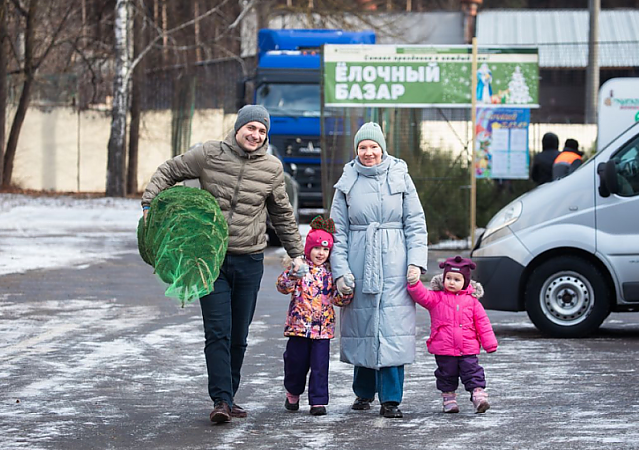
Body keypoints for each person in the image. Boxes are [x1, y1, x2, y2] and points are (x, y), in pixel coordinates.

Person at [140, 104, 304, 424]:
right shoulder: (208, 154)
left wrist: (296, 253)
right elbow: (169, 170)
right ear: (238, 128)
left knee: (239, 334)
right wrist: (150, 204)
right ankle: (221, 399)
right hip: (209, 258)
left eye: (262, 131)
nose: (255, 135)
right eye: (250, 128)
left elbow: (282, 214)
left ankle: (229, 394)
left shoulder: (271, 168)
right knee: (218, 330)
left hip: (250, 259)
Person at [329, 122, 428, 419]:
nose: (368, 153)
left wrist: (415, 261)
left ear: (383, 149)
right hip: (360, 258)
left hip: (395, 260)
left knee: (392, 327)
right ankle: (363, 392)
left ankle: (391, 399)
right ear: (356, 151)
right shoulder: (347, 181)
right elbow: (338, 231)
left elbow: (415, 222)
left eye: (373, 147)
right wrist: (341, 271)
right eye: (363, 147)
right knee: (363, 325)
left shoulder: (400, 176)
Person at [276, 216, 353, 417]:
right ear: (309, 248)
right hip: (299, 328)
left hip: (322, 330)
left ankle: (318, 401)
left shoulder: (330, 273)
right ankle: (293, 392)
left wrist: (346, 291)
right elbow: (282, 287)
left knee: (320, 367)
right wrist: (293, 274)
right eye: (317, 248)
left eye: (326, 250)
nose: (321, 253)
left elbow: (338, 300)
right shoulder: (300, 269)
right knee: (295, 363)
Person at [407, 256, 498, 414]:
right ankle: (449, 400)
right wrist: (415, 283)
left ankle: (478, 396)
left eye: (457, 279)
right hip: (444, 348)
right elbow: (422, 295)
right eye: (448, 278)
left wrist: (489, 343)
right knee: (446, 375)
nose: (451, 282)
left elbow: (483, 323)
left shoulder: (472, 302)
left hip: (467, 348)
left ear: (466, 282)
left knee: (472, 372)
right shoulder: (437, 298)